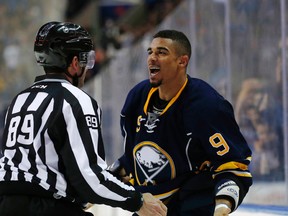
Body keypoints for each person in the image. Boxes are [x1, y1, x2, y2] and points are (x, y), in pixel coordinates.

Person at [0, 21, 167, 216]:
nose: (87, 68)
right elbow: (88, 178)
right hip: (47, 208)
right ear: (73, 64)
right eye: (85, 60)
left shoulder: (19, 100)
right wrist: (137, 200)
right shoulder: (75, 100)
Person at [109, 30, 253, 215]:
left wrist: (223, 206)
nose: (152, 58)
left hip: (192, 205)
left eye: (161, 52)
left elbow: (232, 164)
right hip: (149, 206)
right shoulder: (137, 97)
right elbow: (132, 157)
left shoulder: (207, 105)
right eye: (150, 52)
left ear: (182, 61)